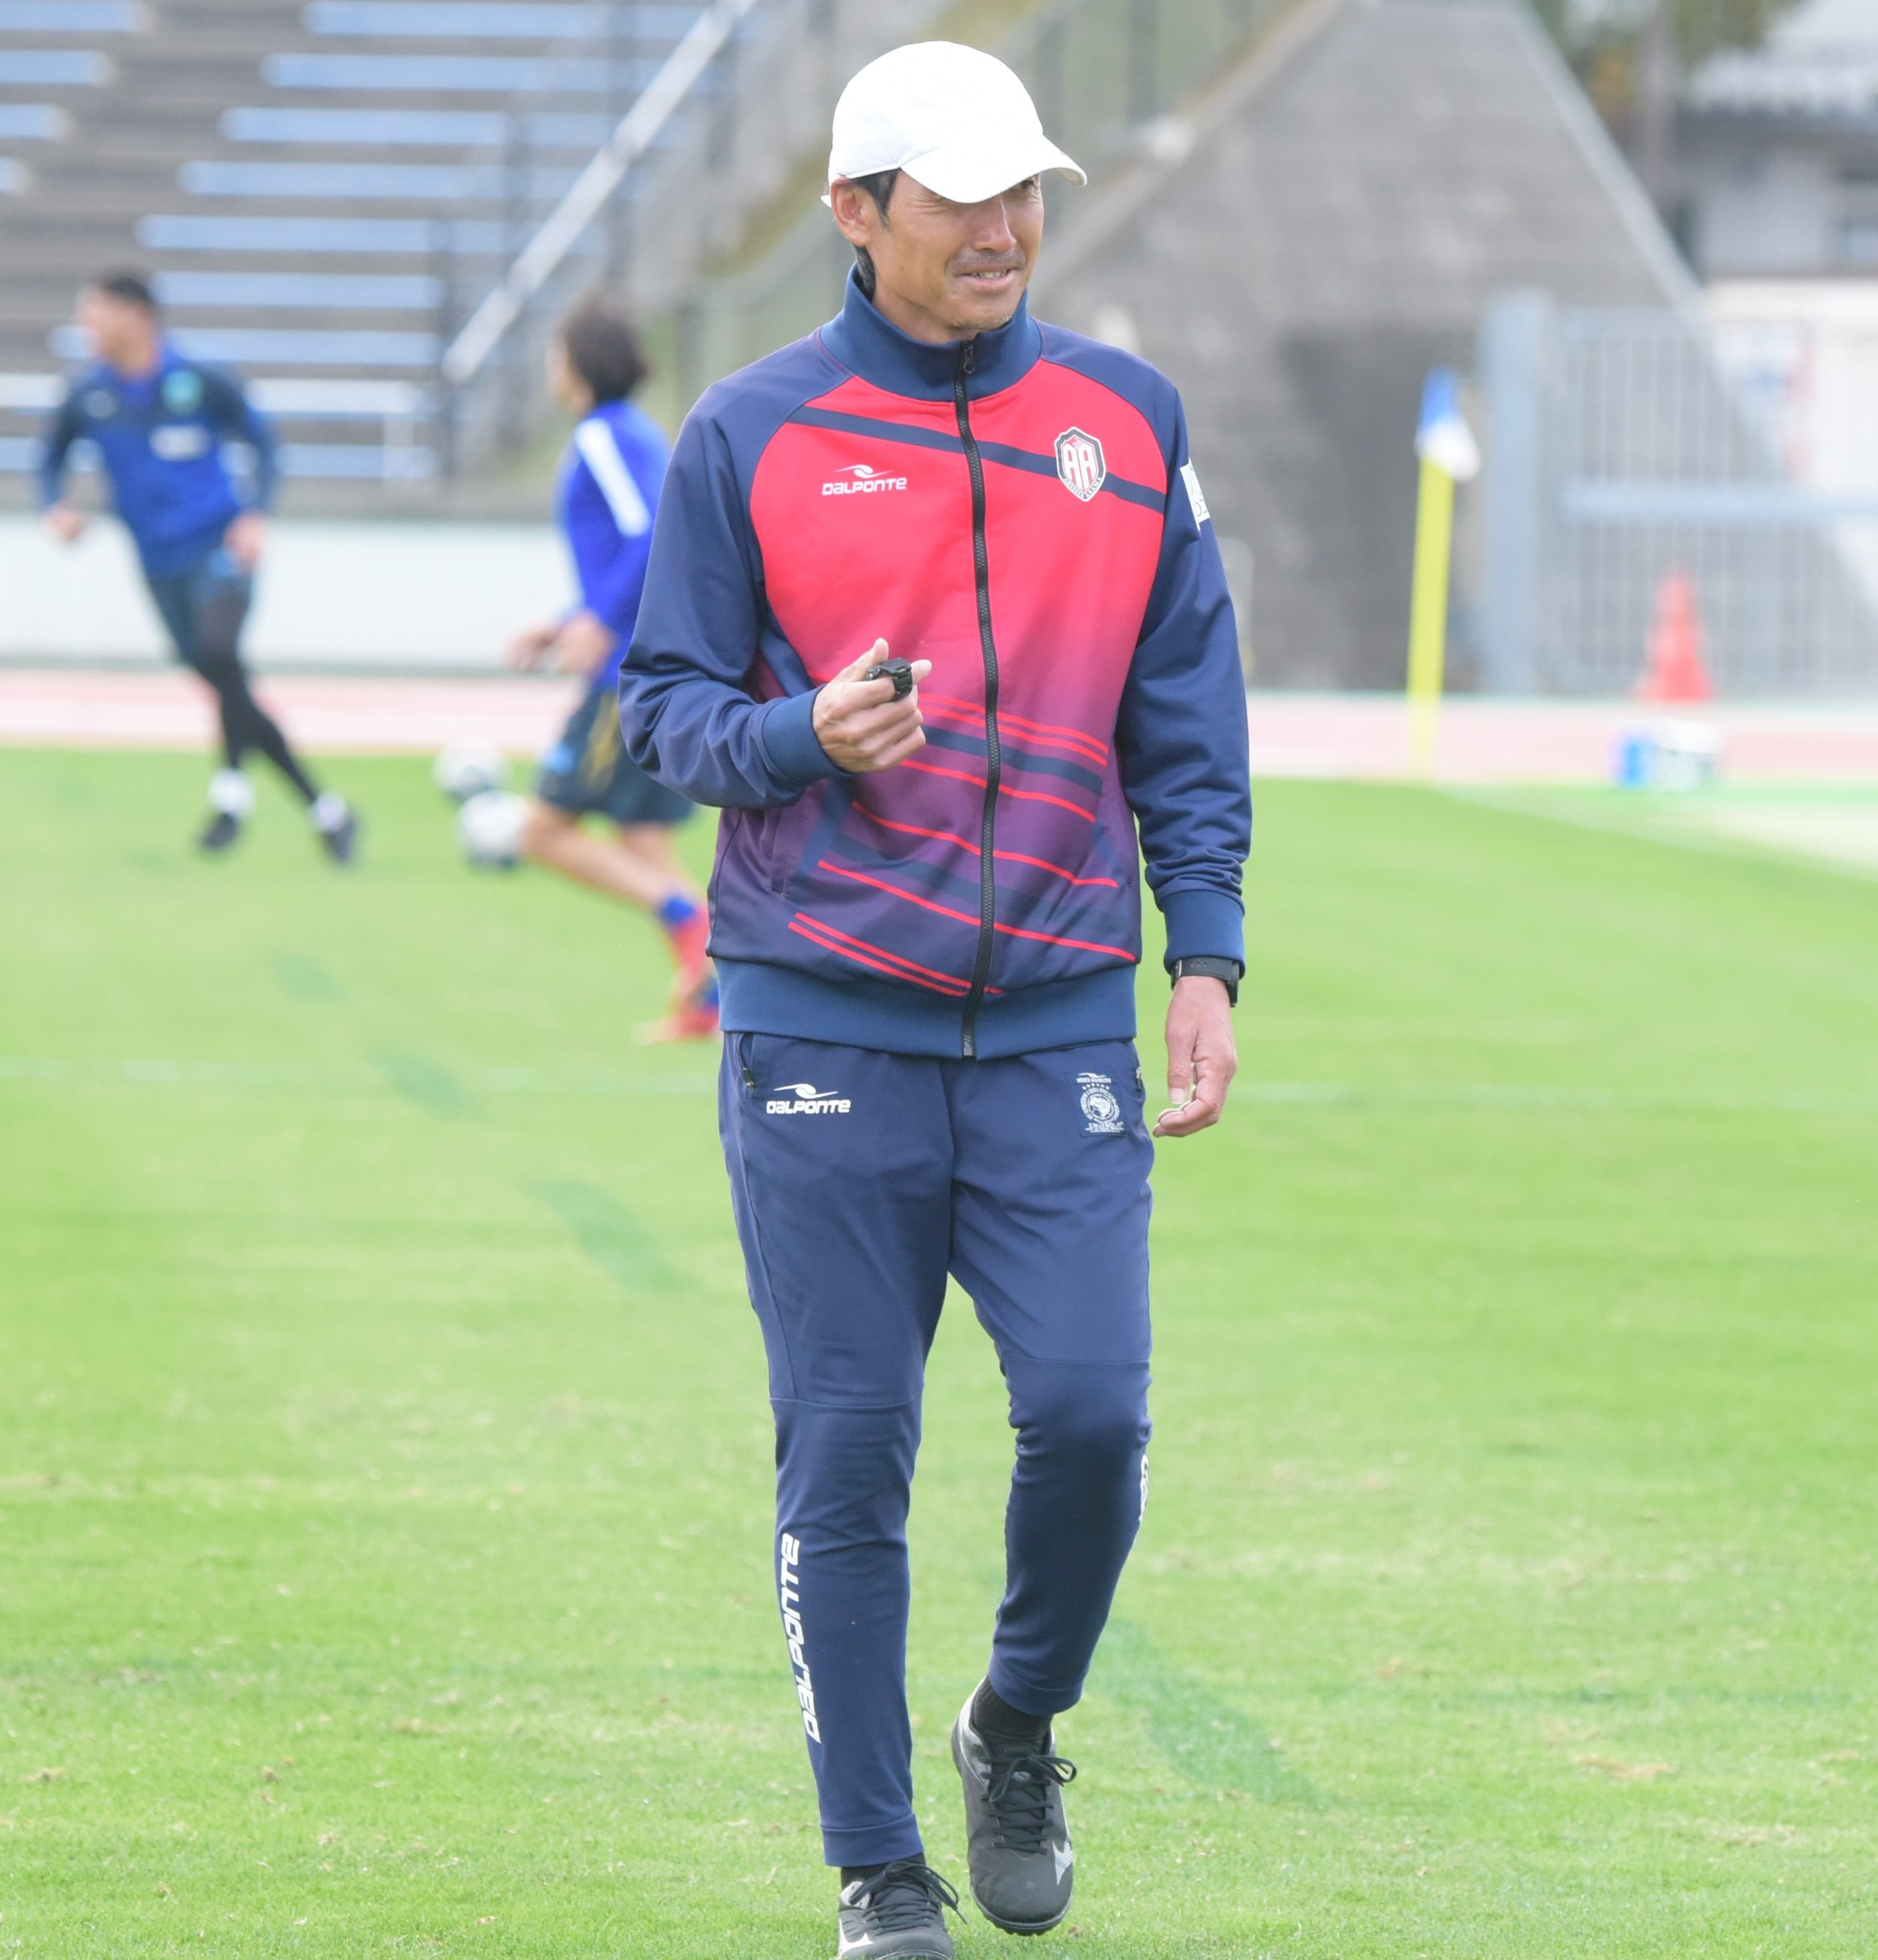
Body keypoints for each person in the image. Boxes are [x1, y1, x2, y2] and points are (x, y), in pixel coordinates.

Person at [618, 41, 1250, 1960]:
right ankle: (878, 1866)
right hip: (822, 1022)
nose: (1004, 226)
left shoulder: (1125, 421)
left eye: (1022, 188)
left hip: (1056, 1021)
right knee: (847, 1450)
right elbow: (660, 715)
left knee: (1091, 1414)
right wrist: (797, 736)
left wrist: (1203, 951)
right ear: (855, 211)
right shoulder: (748, 432)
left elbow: (1184, 713)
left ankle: (1015, 1722)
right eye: (961, 194)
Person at [38, 270, 360, 864]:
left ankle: (230, 795)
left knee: (219, 651)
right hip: (155, 561)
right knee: (224, 680)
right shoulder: (90, 394)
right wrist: (55, 508)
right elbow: (50, 454)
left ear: (136, 316)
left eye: (95, 313)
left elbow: (263, 443)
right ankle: (327, 810)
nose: (86, 326)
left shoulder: (200, 378)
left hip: (218, 545)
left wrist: (257, 514)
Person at [503, 297, 716, 1042]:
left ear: (576, 364)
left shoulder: (600, 434)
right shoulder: (637, 431)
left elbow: (652, 529)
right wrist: (568, 618)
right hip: (655, 659)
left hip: (622, 675)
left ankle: (688, 922)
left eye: (555, 353)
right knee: (642, 838)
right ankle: (711, 995)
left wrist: (597, 618)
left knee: (540, 832)